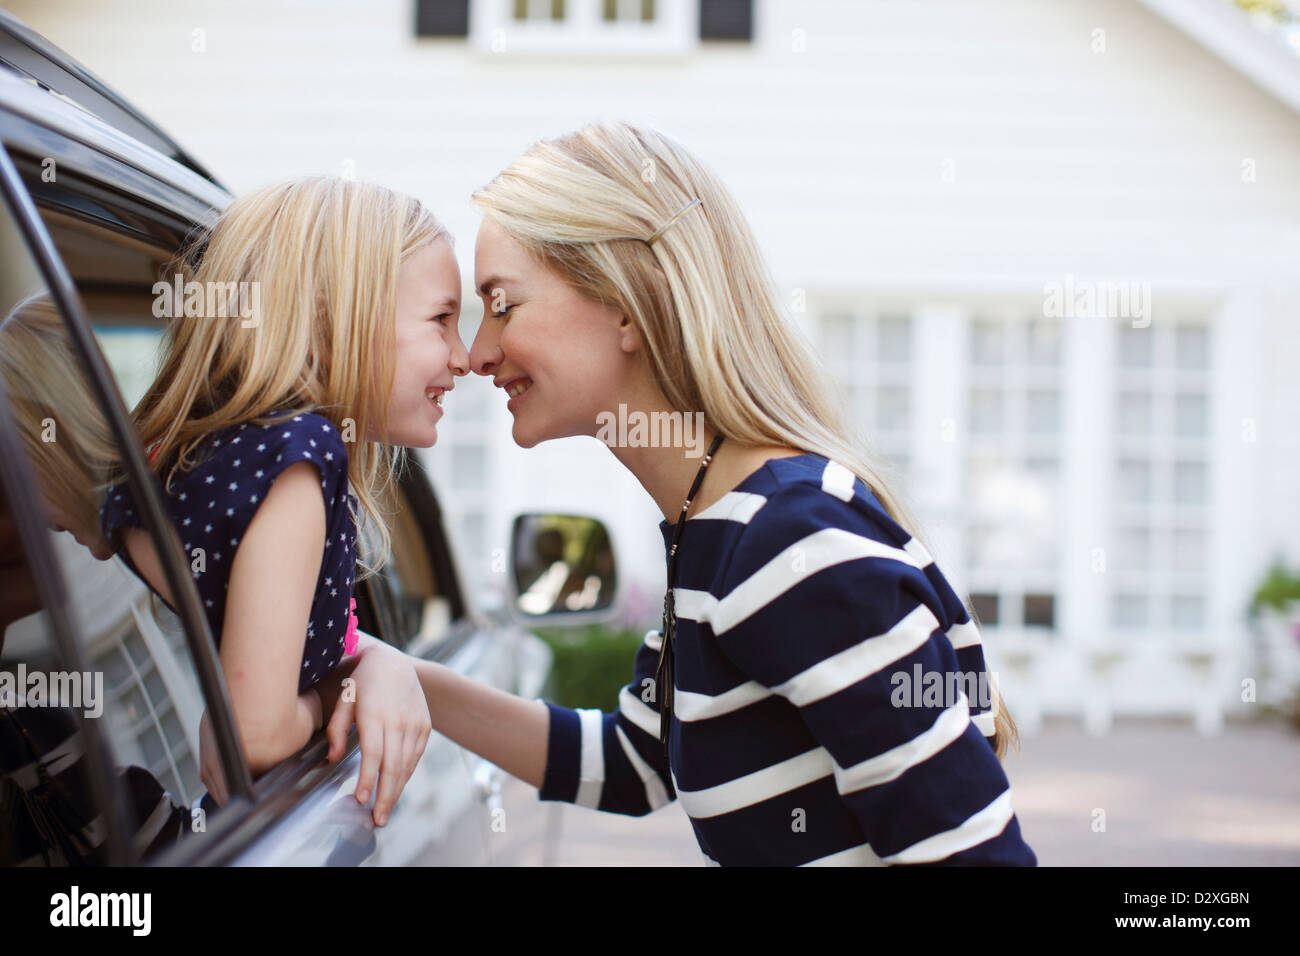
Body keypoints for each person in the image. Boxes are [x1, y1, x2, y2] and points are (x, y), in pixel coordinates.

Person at [405, 119, 1037, 865]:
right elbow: (638, 763)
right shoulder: (715, 527)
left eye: (503, 304)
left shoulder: (793, 543)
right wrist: (395, 675)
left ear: (627, 306)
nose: (478, 353)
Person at [99, 177, 467, 826]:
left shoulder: (228, 464)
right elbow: (260, 735)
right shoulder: (300, 461)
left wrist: (371, 661)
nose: (463, 357)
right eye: (442, 319)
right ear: (335, 314)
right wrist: (339, 691)